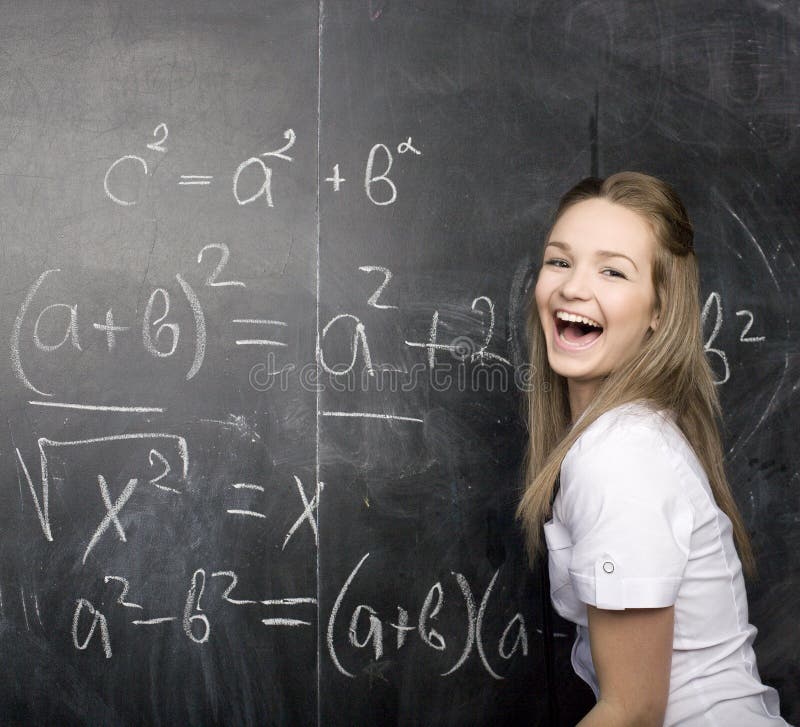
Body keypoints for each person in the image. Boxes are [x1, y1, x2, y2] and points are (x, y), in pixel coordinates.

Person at [516, 172, 790, 726]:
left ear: (659, 311)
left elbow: (633, 711)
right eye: (560, 261)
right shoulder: (624, 435)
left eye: (612, 271)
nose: (573, 287)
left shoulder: (620, 455)